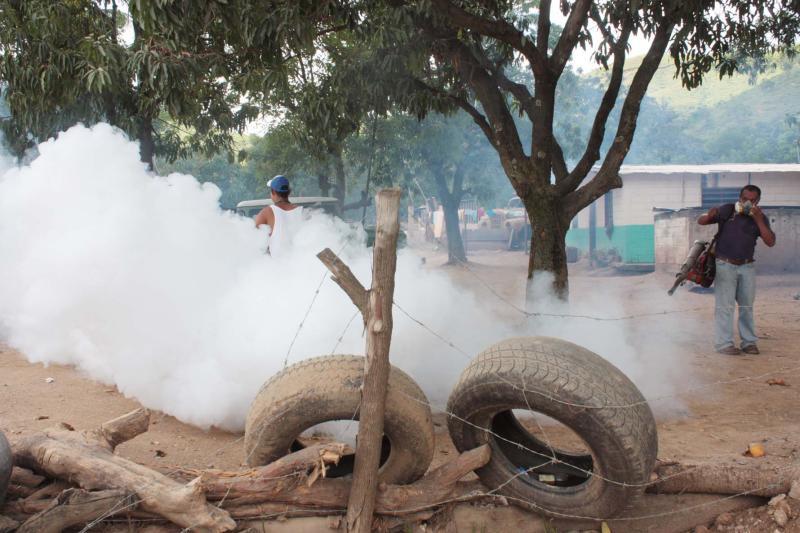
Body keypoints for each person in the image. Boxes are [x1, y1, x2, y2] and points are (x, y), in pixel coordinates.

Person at [697, 185, 776, 355]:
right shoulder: (728, 210)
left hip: (747, 266)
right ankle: (724, 344)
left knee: (747, 306)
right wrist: (708, 215)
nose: (747, 203)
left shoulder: (761, 218)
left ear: (758, 201)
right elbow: (701, 221)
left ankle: (749, 343)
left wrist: (758, 219)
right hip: (725, 264)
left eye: (752, 200)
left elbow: (770, 242)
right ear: (739, 198)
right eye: (744, 199)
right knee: (725, 307)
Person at [254, 175, 304, 257]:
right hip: (300, 262)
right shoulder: (302, 212)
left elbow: (254, 239)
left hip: (277, 264)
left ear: (273, 192)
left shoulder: (267, 212)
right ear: (289, 192)